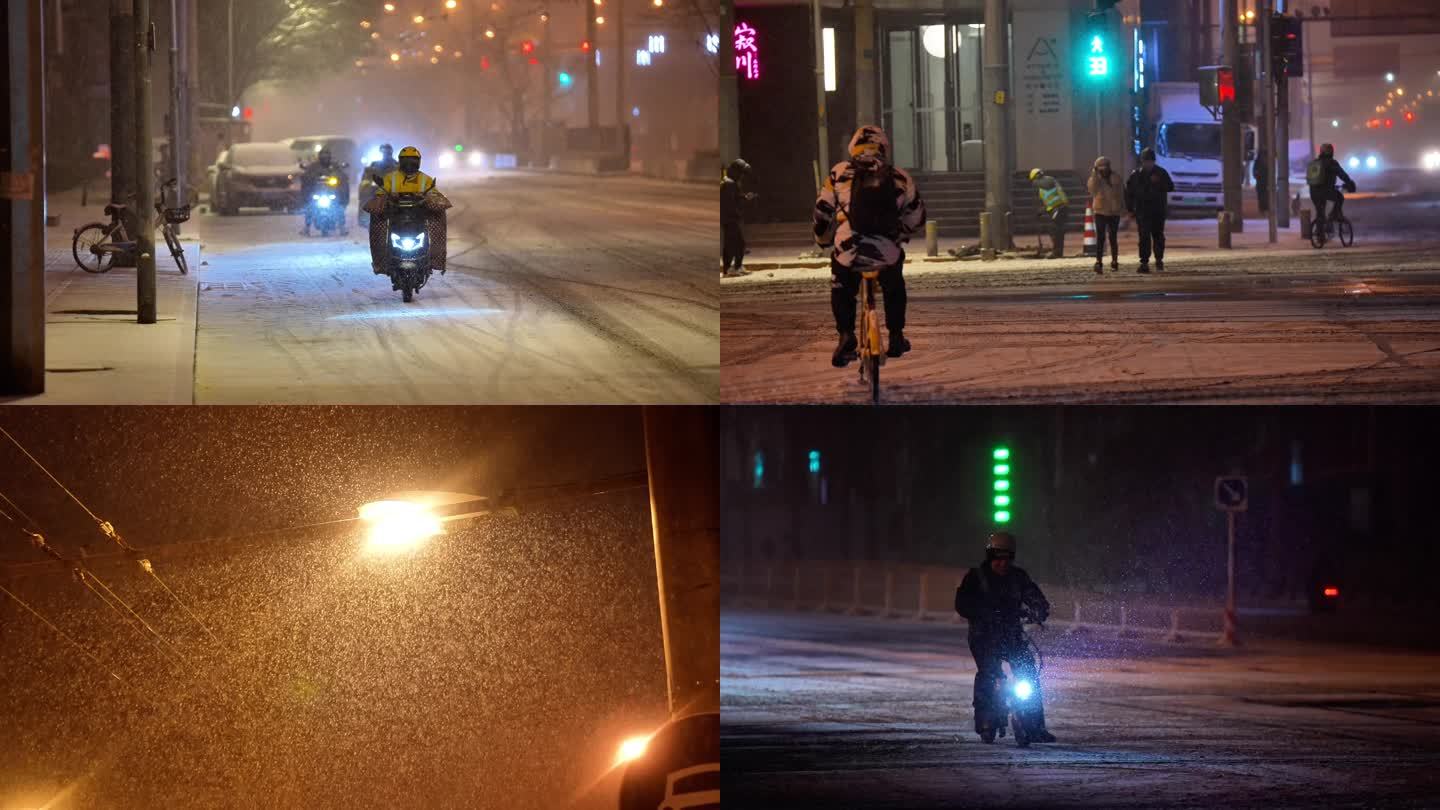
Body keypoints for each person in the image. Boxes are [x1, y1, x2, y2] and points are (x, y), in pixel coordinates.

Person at [814, 125, 926, 367]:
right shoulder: (899, 176)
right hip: (886, 250)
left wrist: (822, 239)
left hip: (849, 248)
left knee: (842, 289)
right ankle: (896, 335)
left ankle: (846, 335)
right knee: (894, 285)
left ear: (853, 146)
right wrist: (902, 234)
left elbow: (822, 212)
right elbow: (916, 216)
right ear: (884, 147)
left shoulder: (839, 173)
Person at [954, 532, 1056, 744]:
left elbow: (1034, 595)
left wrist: (1039, 609)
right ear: (990, 557)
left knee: (1028, 671)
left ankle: (1036, 726)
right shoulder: (976, 577)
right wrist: (983, 612)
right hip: (984, 637)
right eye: (998, 559)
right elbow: (962, 604)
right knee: (989, 673)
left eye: (1007, 559)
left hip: (1011, 635)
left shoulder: (1018, 577)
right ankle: (985, 720)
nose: (1002, 563)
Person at [364, 146, 450, 275]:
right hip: (396, 217)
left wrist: (428, 198)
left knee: (438, 220)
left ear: (418, 162)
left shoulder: (425, 179)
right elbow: (380, 194)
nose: (409, 164)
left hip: (419, 218)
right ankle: (381, 262)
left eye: (413, 161)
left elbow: (434, 195)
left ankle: (435, 260)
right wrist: (385, 197)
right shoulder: (390, 178)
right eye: (406, 161)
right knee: (378, 224)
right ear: (400, 161)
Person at [1124, 147, 1175, 274]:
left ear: (1153, 161)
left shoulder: (1161, 173)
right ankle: (1144, 262)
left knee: (1158, 236)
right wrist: (1130, 209)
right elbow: (1129, 193)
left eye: (1150, 161)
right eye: (1145, 161)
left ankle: (1158, 260)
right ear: (1142, 161)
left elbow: (1170, 187)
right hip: (1142, 212)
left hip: (1158, 211)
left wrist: (1159, 183)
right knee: (1144, 237)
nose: (1147, 164)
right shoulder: (1136, 175)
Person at [1306, 143, 1356, 236]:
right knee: (1339, 197)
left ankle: (1319, 233)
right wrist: (1349, 184)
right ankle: (1333, 215)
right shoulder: (1332, 163)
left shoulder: (1315, 163)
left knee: (1320, 212)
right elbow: (1342, 174)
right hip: (1326, 191)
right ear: (1331, 152)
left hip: (1313, 192)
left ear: (1321, 152)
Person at [1086, 156, 1125, 274]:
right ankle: (1099, 262)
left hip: (1114, 212)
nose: (1103, 171)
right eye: (1100, 168)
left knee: (1113, 237)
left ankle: (1114, 261)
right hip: (1100, 211)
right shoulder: (1095, 179)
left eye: (1105, 167)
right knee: (1101, 238)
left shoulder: (1116, 177)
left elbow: (1122, 193)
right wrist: (1094, 175)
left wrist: (1123, 208)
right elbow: (1092, 190)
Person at [720, 158, 757, 278]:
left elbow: (735, 198)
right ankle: (732, 268)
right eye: (741, 173)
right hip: (730, 220)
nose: (741, 176)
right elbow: (730, 204)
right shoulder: (728, 184)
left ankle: (734, 267)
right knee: (737, 243)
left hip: (729, 219)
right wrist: (737, 213)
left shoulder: (729, 183)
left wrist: (745, 197)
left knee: (733, 244)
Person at [299, 147, 347, 236]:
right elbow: (306, 175)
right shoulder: (313, 166)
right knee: (310, 207)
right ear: (319, 156)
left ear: (330, 156)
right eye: (323, 155)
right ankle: (306, 227)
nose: (325, 157)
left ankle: (342, 227)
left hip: (331, 191)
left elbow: (341, 174)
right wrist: (309, 177)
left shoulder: (334, 166)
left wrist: (339, 177)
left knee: (339, 207)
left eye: (327, 155)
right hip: (317, 191)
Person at [1029, 168, 1070, 259]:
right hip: (1058, 209)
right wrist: (1042, 210)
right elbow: (1049, 202)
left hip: (1059, 208)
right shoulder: (1045, 187)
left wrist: (1043, 210)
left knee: (1054, 230)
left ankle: (1056, 252)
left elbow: (1054, 200)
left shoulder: (1047, 182)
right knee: (1057, 231)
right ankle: (1058, 252)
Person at [359, 144, 398, 228]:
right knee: (366, 198)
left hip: (394, 191)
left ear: (391, 152)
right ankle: (364, 218)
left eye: (388, 152)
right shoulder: (374, 165)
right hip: (376, 190)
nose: (386, 154)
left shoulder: (398, 165)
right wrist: (368, 183)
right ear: (381, 152)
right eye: (384, 152)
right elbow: (366, 177)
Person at [1253, 147, 1270, 214]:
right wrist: (1257, 176)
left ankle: (1265, 208)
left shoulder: (1267, 162)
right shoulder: (1258, 162)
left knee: (1266, 196)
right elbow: (1254, 172)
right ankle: (1262, 209)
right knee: (1261, 196)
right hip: (1260, 182)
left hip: (1265, 182)